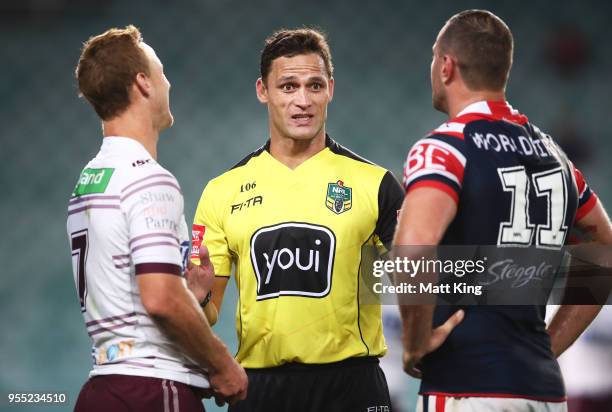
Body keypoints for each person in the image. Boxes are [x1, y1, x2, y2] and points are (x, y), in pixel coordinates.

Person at [394, 9, 612, 412]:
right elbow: (604, 244)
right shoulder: (557, 159)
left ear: (446, 66)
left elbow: (414, 247)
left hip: (467, 387)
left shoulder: (444, 148)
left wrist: (414, 343)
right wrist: (549, 344)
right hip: (544, 392)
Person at [191, 28, 404, 411]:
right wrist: (198, 294)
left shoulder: (377, 185)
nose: (302, 101)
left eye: (314, 85)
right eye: (288, 86)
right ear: (263, 91)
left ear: (331, 90)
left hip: (352, 385)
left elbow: (422, 282)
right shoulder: (222, 191)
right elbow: (207, 313)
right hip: (261, 389)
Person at [67, 25, 247, 411]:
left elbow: (129, 291)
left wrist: (193, 296)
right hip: (150, 388)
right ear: (143, 83)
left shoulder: (89, 179)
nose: (169, 83)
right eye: (163, 72)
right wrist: (222, 364)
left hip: (102, 387)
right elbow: (160, 299)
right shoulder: (148, 178)